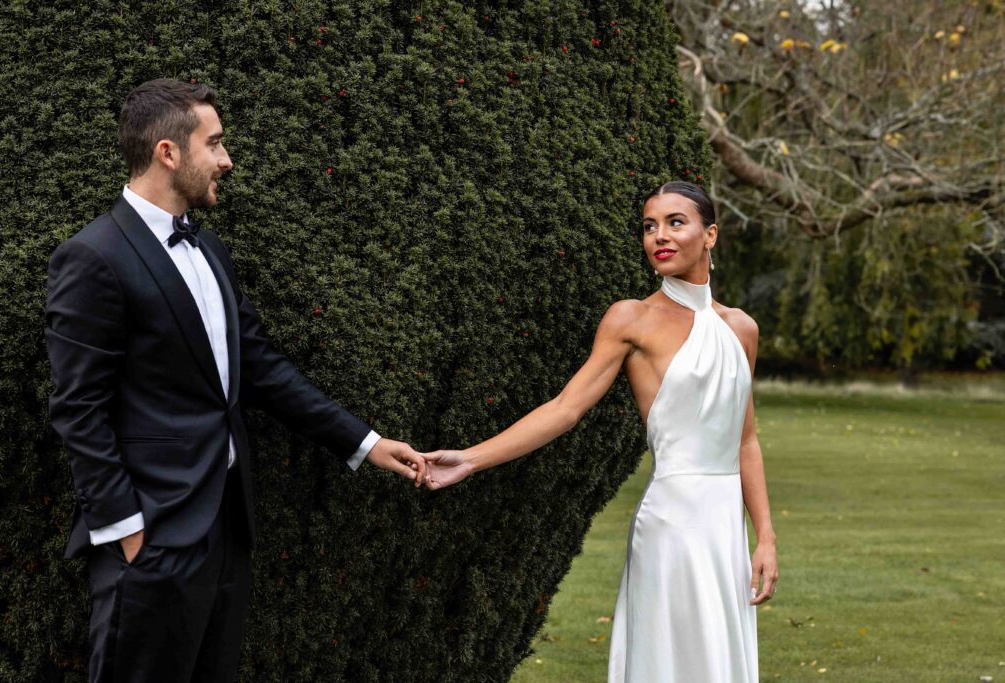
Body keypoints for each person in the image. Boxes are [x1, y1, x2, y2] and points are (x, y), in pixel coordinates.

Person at [45, 78, 427, 683]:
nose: (226, 159)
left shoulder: (212, 250)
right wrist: (130, 536)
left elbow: (263, 370)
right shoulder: (92, 257)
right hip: (151, 542)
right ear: (169, 152)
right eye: (215, 143)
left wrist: (366, 443)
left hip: (224, 530)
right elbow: (77, 411)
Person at [423, 181, 778, 682]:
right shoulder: (631, 318)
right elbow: (565, 408)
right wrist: (471, 458)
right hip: (672, 523)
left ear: (710, 234)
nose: (660, 235)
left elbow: (745, 440)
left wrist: (763, 536)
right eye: (649, 226)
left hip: (725, 528)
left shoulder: (742, 328)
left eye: (676, 222)